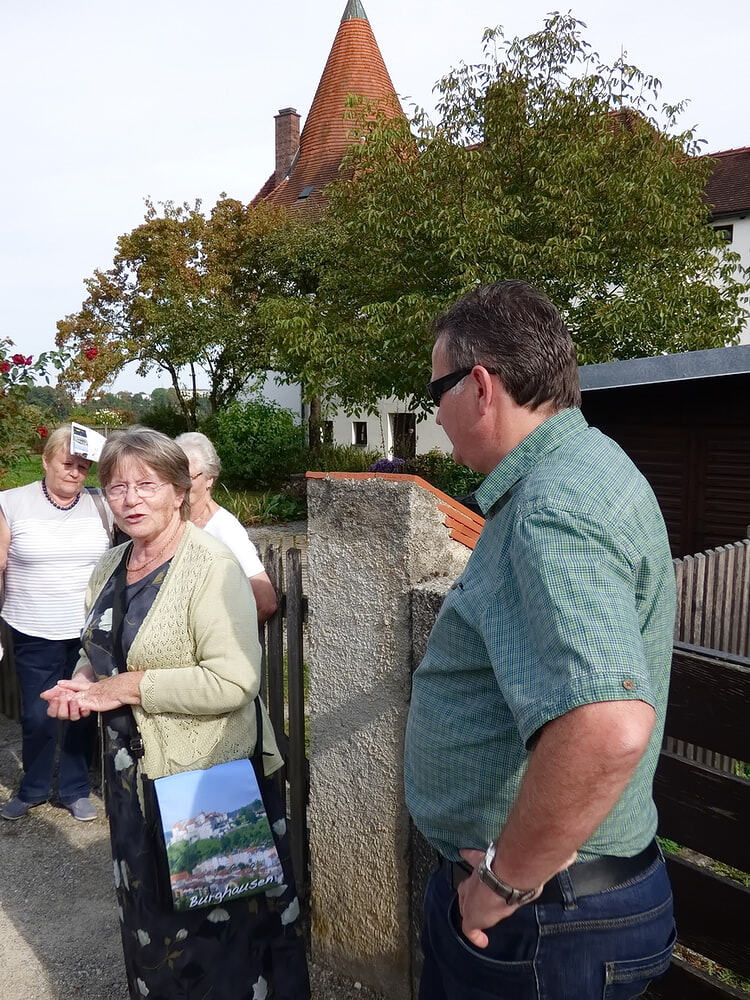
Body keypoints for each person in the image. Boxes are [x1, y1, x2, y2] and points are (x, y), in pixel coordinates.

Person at [404, 280, 677, 1000]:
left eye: (437, 391)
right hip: (563, 911)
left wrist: (502, 882)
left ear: (481, 386)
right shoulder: (585, 468)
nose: (436, 413)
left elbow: (608, 725)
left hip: (543, 922)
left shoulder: (552, 504)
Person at [41, 427, 309, 1000]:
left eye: (147, 485)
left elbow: (235, 680)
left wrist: (127, 687)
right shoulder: (110, 564)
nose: (130, 499)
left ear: (180, 491)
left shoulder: (211, 566)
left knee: (219, 940)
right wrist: (85, 683)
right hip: (132, 781)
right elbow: (99, 649)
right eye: (117, 487)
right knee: (151, 924)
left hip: (204, 782)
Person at [0, 424, 112, 822]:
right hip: (32, 627)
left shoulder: (102, 503)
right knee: (36, 713)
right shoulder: (11, 502)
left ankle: (74, 789)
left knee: (81, 708)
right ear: (46, 460)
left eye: (83, 466)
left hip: (87, 631)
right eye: (68, 464)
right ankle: (32, 788)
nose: (76, 472)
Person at [175, 431, 278, 624]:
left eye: (188, 476)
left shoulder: (226, 529)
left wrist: (226, 636)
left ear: (210, 479)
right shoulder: (172, 520)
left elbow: (266, 603)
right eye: (175, 475)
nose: (180, 484)